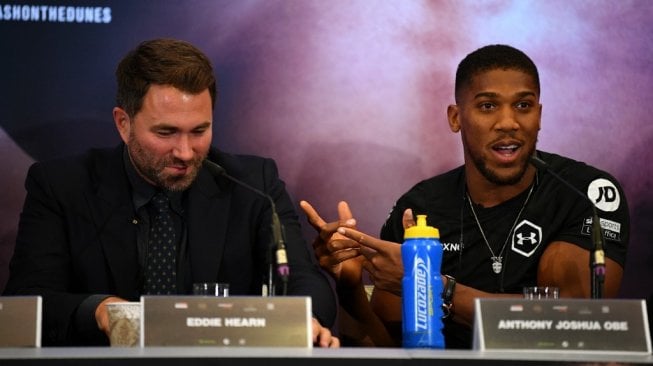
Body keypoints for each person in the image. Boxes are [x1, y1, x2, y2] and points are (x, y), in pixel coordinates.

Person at [3, 38, 338, 347]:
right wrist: (98, 309)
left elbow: (305, 281)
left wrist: (304, 320)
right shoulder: (63, 186)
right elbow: (27, 300)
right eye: (166, 132)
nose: (185, 152)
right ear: (124, 123)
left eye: (199, 131)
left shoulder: (254, 185)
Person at [300, 44, 629, 348]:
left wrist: (433, 286)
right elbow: (387, 350)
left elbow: (568, 322)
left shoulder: (585, 193)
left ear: (539, 116)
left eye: (523, 105)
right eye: (488, 106)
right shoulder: (420, 208)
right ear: (456, 118)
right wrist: (350, 286)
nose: (508, 122)